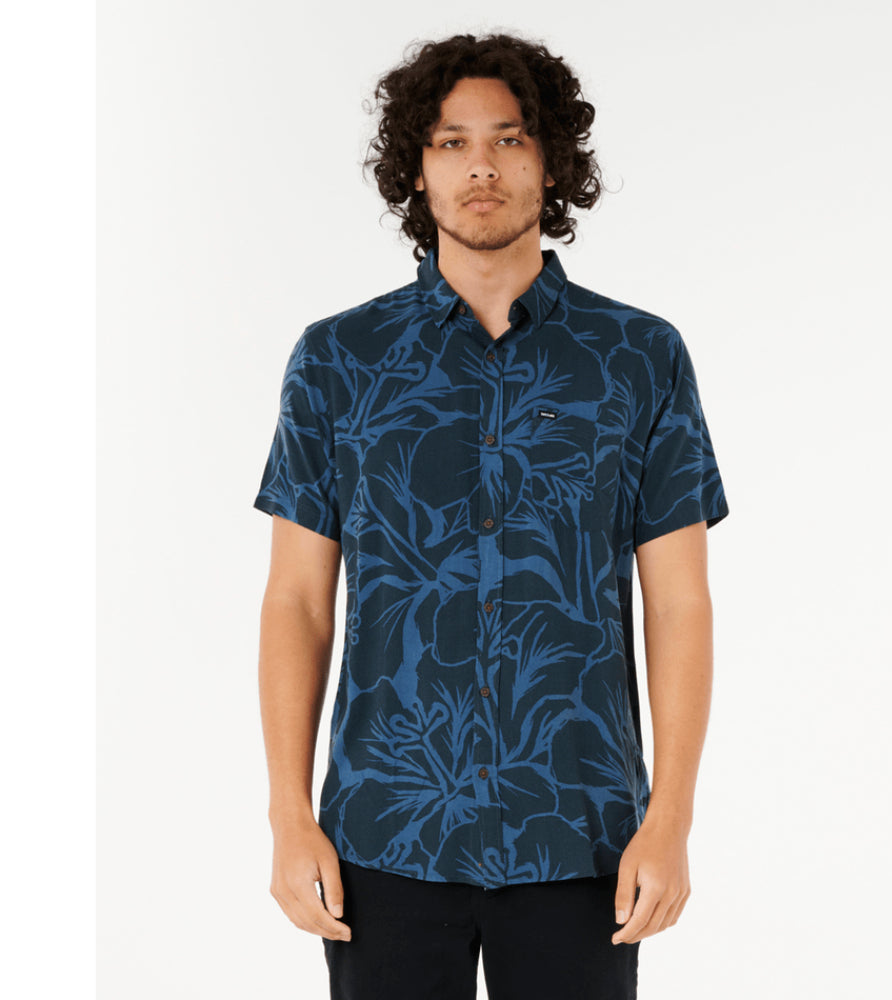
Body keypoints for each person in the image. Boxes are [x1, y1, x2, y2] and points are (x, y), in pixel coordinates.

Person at [253, 31, 729, 1000]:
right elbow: (297, 600)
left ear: (551, 163)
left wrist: (671, 818)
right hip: (384, 834)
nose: (482, 166)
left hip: (582, 835)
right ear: (415, 168)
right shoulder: (338, 360)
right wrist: (289, 816)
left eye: (510, 140)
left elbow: (679, 602)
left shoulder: (637, 357)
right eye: (451, 142)